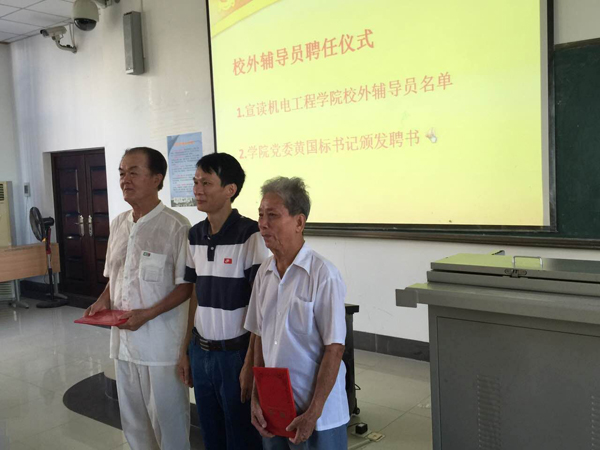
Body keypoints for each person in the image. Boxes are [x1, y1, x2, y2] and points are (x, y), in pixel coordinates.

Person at [85, 147, 193, 450]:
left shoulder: (176, 226)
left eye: (133, 172)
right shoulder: (119, 224)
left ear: (157, 179)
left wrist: (147, 314)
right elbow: (115, 276)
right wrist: (103, 300)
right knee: (133, 423)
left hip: (160, 347)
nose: (125, 180)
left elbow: (186, 287)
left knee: (169, 424)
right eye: (122, 173)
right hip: (123, 343)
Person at [245, 177, 349, 450]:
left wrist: (313, 413)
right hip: (275, 410)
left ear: (299, 222)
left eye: (272, 215)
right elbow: (259, 337)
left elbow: (335, 348)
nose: (263, 224)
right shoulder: (264, 273)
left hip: (318, 415)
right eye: (260, 215)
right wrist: (257, 397)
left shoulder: (323, 274)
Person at [177, 153, 268, 450]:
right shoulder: (194, 235)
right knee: (211, 435)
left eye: (206, 183)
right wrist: (186, 350)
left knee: (242, 437)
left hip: (236, 355)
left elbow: (260, 304)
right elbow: (195, 294)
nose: (197, 190)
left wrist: (251, 362)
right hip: (201, 351)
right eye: (195, 182)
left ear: (230, 189)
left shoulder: (250, 234)